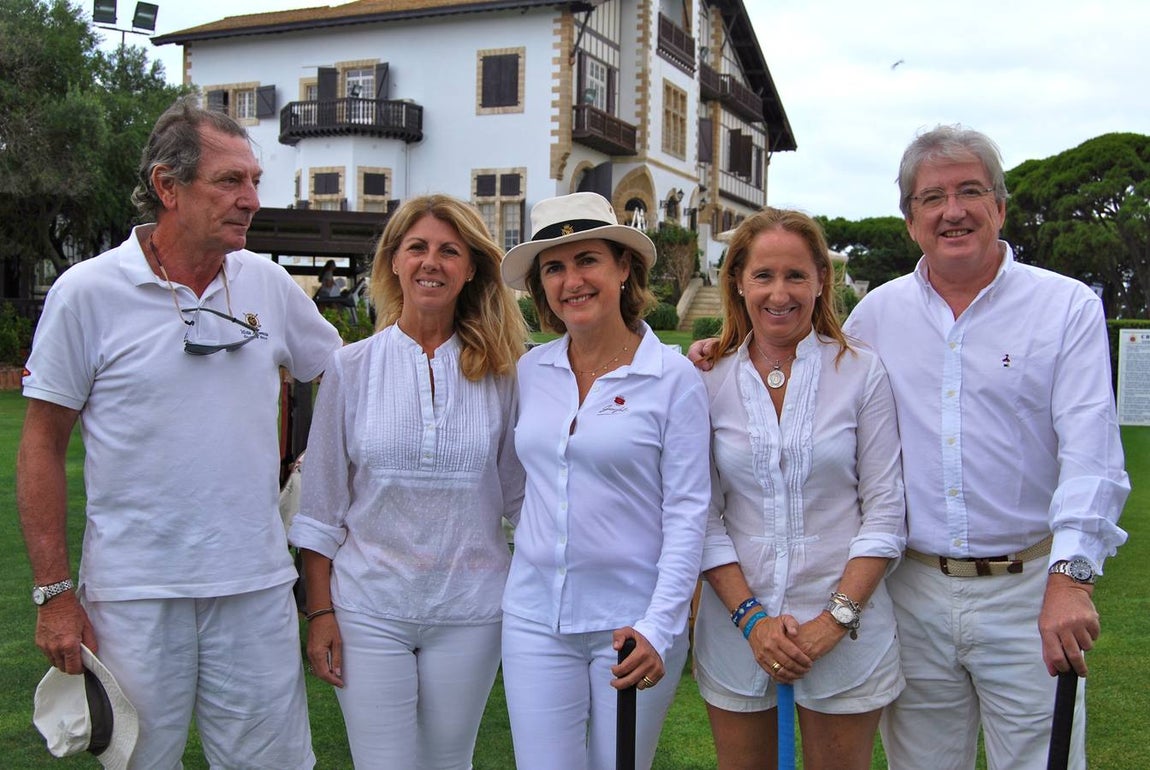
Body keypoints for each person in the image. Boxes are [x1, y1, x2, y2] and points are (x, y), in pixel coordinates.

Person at [693, 125, 1130, 770]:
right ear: (910, 220)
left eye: (969, 192)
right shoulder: (878, 317)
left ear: (1000, 207)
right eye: (932, 198)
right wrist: (716, 351)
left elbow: (1092, 451)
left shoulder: (1062, 307)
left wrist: (1072, 577)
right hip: (914, 591)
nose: (952, 211)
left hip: (1027, 588)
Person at [16, 96, 342, 769]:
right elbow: (41, 444)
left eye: (255, 180)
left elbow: (344, 378)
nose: (251, 199)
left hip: (253, 586)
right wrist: (54, 594)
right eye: (230, 181)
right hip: (133, 596)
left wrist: (322, 458)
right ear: (168, 186)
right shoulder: (87, 292)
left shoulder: (270, 285)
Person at [288, 194, 527, 769]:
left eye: (449, 251)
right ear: (393, 261)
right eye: (416, 247)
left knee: (450, 763)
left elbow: (524, 500)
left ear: (471, 268)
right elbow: (321, 506)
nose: (431, 262)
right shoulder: (351, 368)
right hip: (368, 607)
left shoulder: (504, 374)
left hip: (471, 609)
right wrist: (321, 615)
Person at [498, 191, 711, 770]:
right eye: (554, 267)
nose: (572, 280)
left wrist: (662, 626)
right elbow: (520, 482)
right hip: (536, 619)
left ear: (623, 267)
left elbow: (689, 512)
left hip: (631, 625)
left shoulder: (673, 378)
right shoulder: (530, 371)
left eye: (587, 259)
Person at [694, 208, 906, 770]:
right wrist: (752, 620)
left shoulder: (861, 372)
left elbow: (884, 512)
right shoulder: (706, 379)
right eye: (763, 275)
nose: (779, 293)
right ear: (738, 281)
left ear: (820, 281)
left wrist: (832, 622)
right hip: (738, 629)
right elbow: (703, 514)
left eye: (795, 275)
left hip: (845, 629)